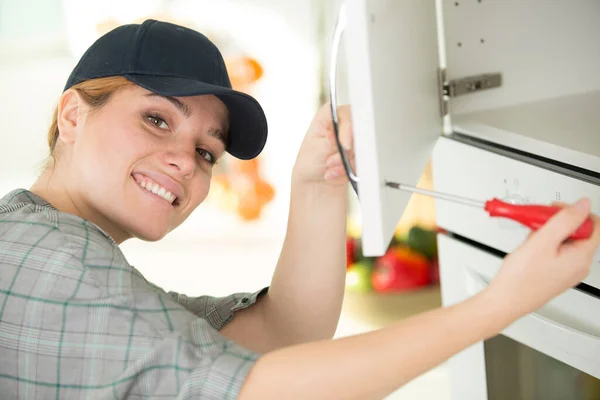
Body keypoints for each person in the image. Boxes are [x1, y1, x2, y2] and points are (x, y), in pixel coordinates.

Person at [0, 18, 598, 400]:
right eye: (157, 119)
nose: (185, 161)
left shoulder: (48, 246)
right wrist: (502, 304)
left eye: (207, 151)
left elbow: (279, 337)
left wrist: (318, 181)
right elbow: (270, 390)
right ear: (73, 115)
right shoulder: (54, 264)